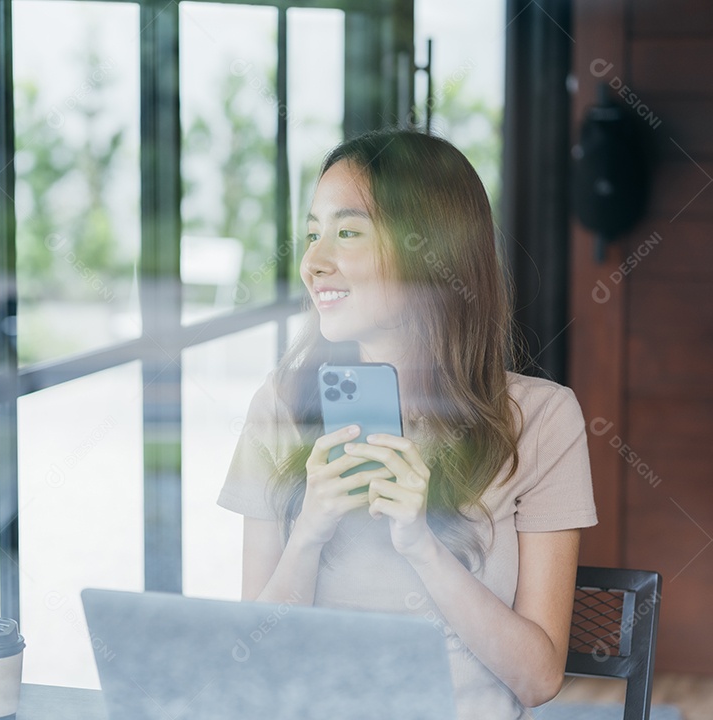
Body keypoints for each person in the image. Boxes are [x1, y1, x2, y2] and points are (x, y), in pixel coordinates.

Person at [218, 129, 597, 719]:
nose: (313, 263)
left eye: (346, 233)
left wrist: (422, 545)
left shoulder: (542, 420)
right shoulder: (281, 405)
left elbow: (539, 678)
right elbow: (251, 660)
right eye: (313, 233)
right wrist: (309, 533)